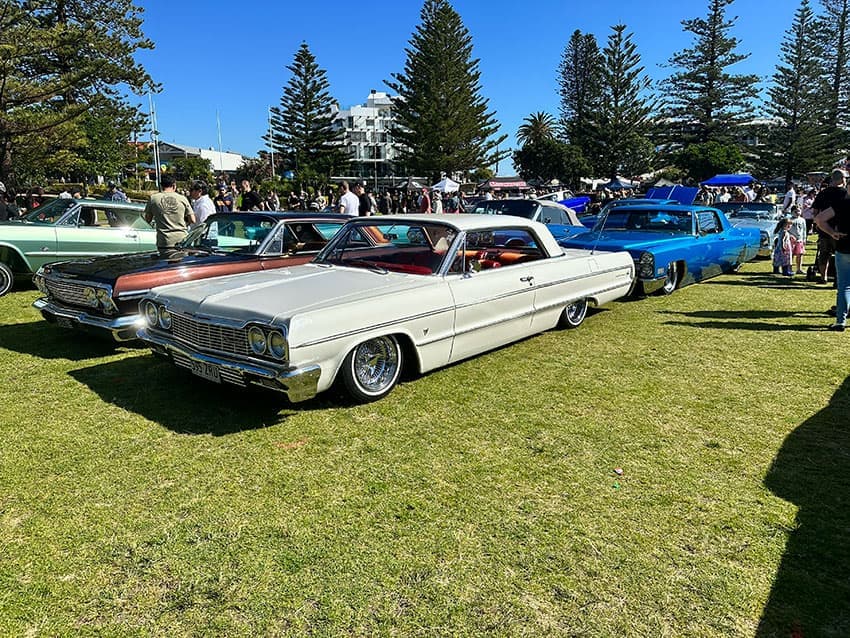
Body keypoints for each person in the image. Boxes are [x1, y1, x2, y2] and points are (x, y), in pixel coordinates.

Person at [815, 194, 850, 330]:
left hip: (844, 247)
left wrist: (831, 232)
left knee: (844, 287)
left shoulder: (841, 203)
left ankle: (840, 321)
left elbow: (819, 219)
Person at [812, 169, 848, 284]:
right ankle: (838, 279)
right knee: (839, 254)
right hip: (840, 228)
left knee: (824, 253)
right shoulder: (844, 193)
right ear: (843, 179)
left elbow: (815, 211)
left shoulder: (823, 193)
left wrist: (817, 224)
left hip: (824, 227)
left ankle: (824, 277)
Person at [143, 174, 195, 249]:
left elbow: (147, 219)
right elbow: (193, 220)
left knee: (165, 260)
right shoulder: (182, 198)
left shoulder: (153, 199)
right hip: (181, 239)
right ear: (174, 185)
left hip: (164, 241)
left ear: (161, 185)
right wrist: (185, 224)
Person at [788, 206, 807, 274]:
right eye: (795, 212)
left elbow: (804, 230)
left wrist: (804, 239)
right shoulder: (789, 220)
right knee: (791, 255)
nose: (797, 213)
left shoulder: (802, 220)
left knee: (800, 254)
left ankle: (799, 269)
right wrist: (790, 236)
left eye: (798, 211)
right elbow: (786, 230)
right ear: (791, 212)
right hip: (791, 241)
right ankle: (789, 268)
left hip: (800, 240)